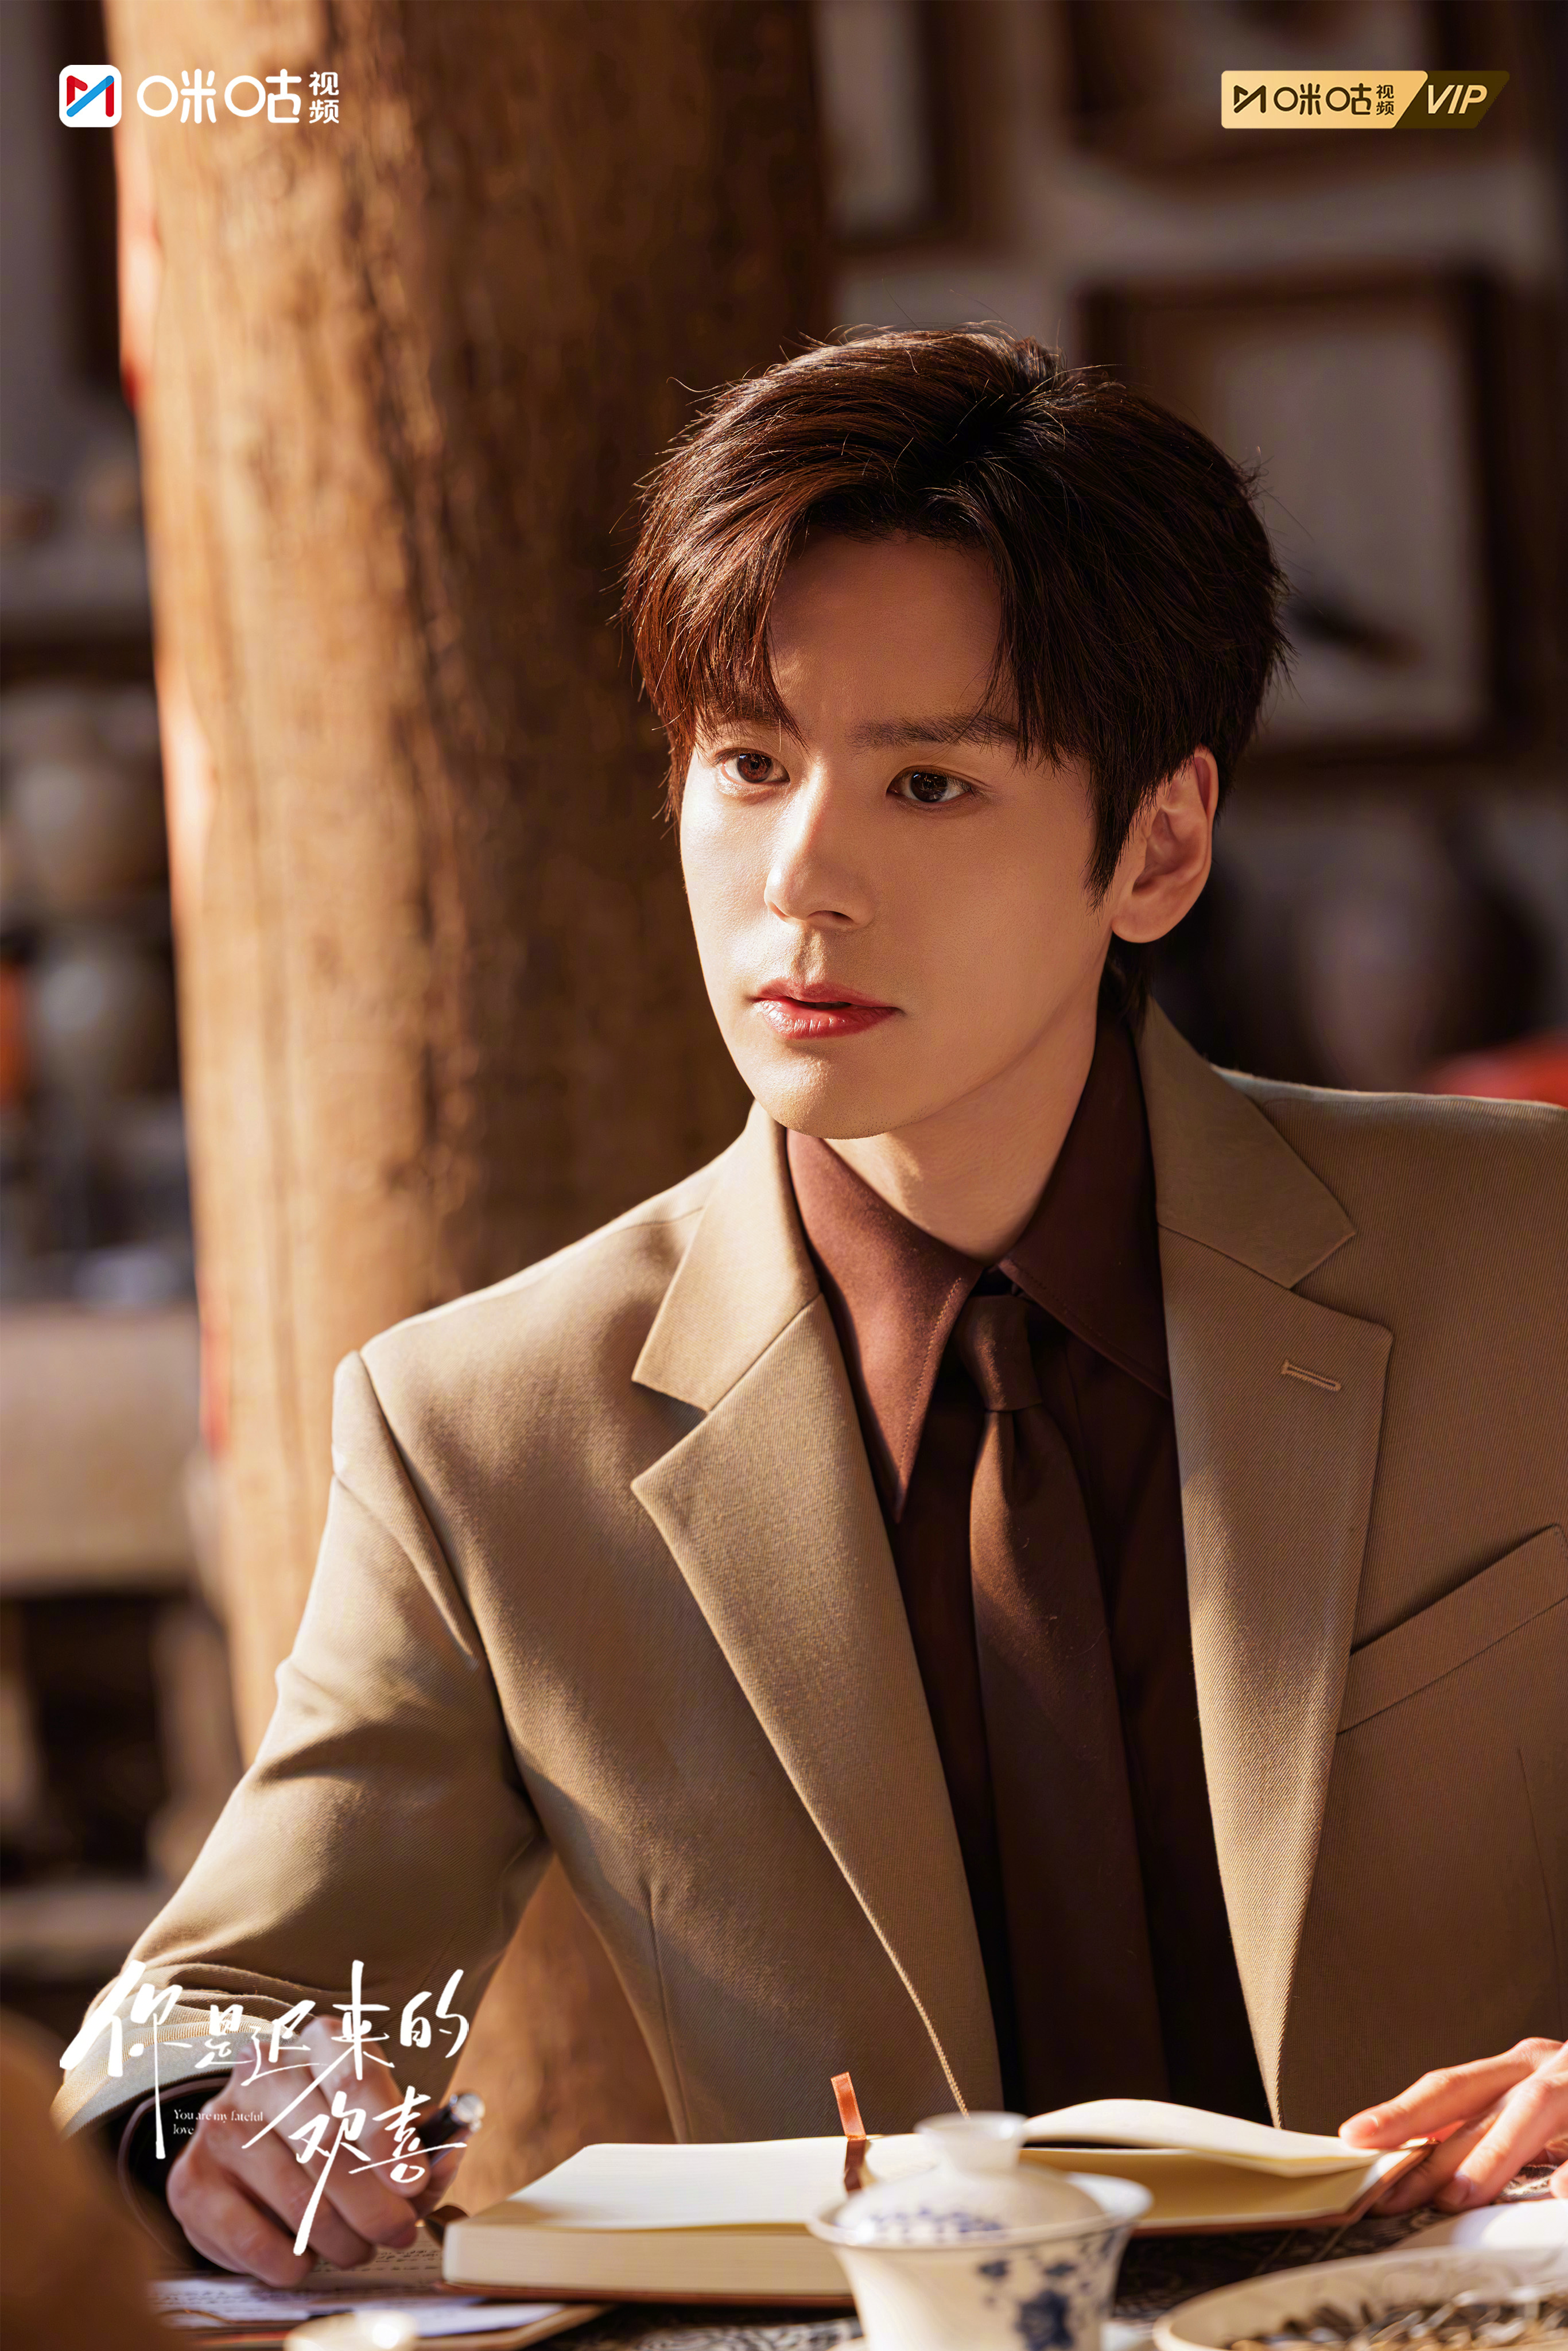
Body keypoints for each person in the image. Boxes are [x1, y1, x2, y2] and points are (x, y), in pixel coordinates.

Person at [54, 331, 1567, 2284]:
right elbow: (208, 2008)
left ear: (1157, 845)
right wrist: (224, 2108)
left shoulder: (1522, 1258)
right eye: (748, 765)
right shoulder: (489, 1428)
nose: (802, 880)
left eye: (927, 781)